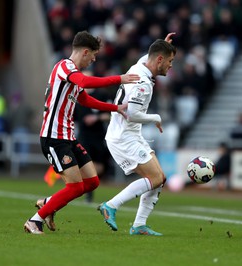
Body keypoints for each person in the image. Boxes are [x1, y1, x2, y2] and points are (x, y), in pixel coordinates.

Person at [23, 30, 140, 234]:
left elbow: (85, 99)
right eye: (93, 55)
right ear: (85, 52)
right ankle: (35, 220)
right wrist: (119, 78)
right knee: (75, 187)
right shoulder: (65, 67)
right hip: (53, 138)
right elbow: (85, 83)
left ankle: (48, 203)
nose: (94, 60)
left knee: (92, 182)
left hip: (68, 137)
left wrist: (116, 108)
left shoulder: (73, 75)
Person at [97, 33, 177, 236]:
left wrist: (163, 46)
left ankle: (139, 225)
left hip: (128, 135)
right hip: (124, 137)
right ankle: (111, 206)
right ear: (159, 59)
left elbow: (149, 56)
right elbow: (132, 114)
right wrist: (156, 117)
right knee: (156, 177)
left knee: (160, 178)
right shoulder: (143, 82)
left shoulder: (139, 66)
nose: (170, 65)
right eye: (169, 61)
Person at [74, 80, 114, 203]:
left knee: (100, 166)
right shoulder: (76, 96)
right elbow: (72, 116)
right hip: (84, 137)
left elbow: (111, 114)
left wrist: (96, 118)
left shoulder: (102, 95)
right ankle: (88, 193)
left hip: (99, 136)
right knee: (87, 164)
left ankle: (90, 185)